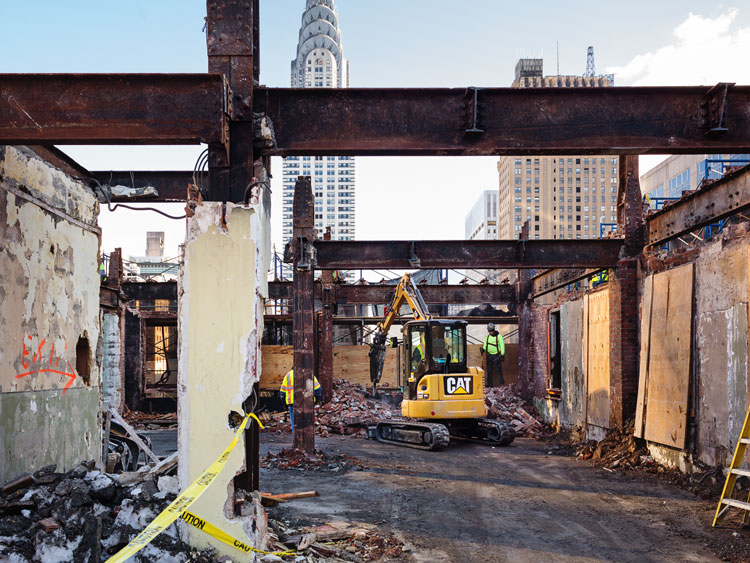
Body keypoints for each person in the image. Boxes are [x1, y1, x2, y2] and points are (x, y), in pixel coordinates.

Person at [481, 323, 505, 387]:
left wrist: (502, 354)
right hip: (489, 356)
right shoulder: (487, 337)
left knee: (498, 371)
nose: (490, 332)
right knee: (489, 371)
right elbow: (485, 345)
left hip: (497, 356)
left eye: (491, 331)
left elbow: (502, 345)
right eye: (489, 331)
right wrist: (483, 349)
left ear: (493, 330)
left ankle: (502, 384)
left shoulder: (499, 337)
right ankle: (490, 385)